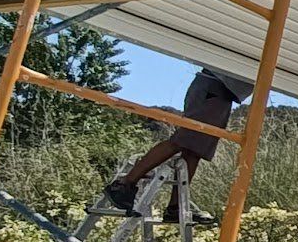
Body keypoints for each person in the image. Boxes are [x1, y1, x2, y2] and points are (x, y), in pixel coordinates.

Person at [92, 67, 252, 222]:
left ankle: (176, 207)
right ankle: (124, 184)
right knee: (181, 142)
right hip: (215, 89)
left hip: (219, 92)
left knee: (194, 151)